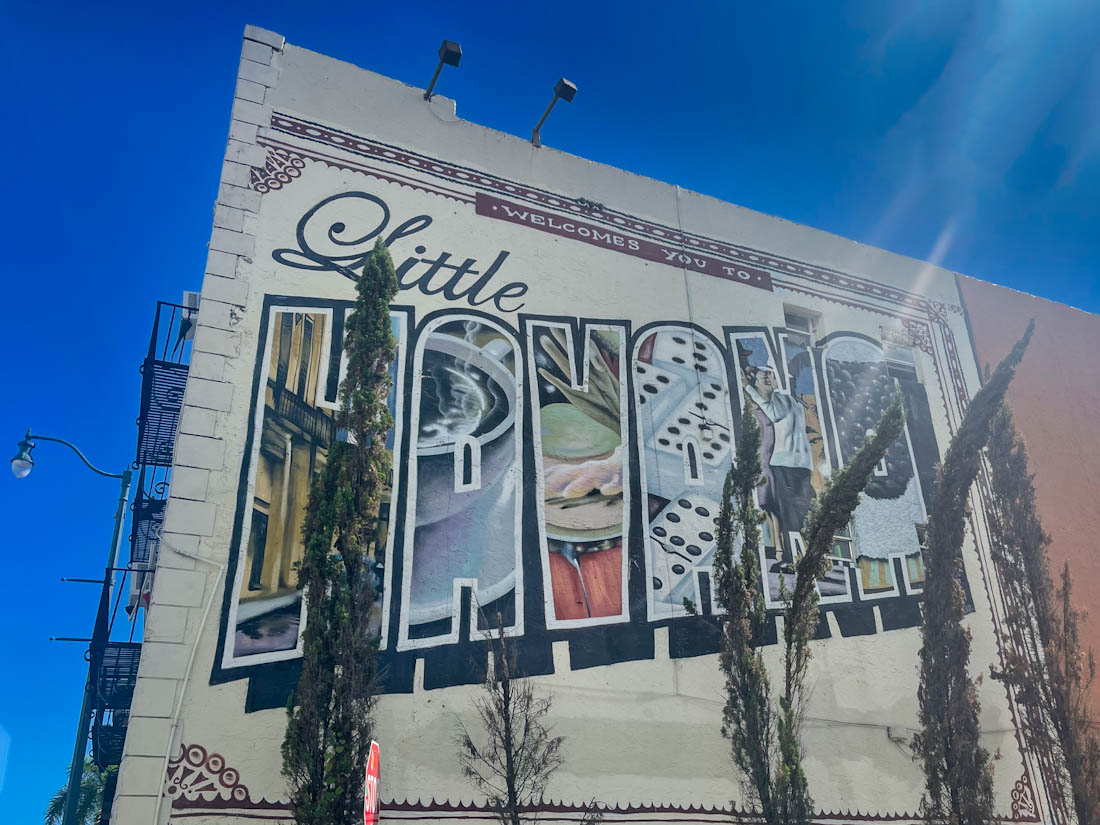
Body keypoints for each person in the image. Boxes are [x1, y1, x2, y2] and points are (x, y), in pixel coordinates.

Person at [743, 365, 815, 568]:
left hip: (785, 463)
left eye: (770, 376)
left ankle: (792, 560)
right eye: (764, 376)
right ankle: (797, 556)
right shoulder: (795, 402)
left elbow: (774, 414)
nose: (768, 379)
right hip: (801, 464)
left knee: (787, 513)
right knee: (796, 512)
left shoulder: (781, 398)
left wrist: (748, 389)